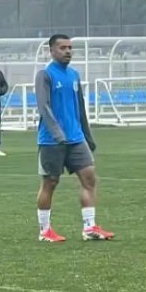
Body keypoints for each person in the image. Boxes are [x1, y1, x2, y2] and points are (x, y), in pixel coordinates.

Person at [34, 34, 114, 243]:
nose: (68, 51)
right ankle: (45, 230)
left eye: (70, 48)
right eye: (62, 48)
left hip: (76, 139)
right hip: (52, 141)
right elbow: (44, 107)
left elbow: (80, 108)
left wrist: (88, 135)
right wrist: (58, 134)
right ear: (51, 50)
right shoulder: (45, 74)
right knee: (50, 182)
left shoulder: (74, 75)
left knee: (89, 178)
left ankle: (89, 227)